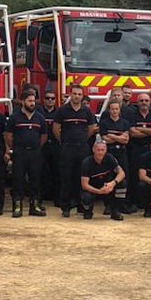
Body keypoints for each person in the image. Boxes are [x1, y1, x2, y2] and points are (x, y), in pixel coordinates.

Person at [54, 85, 98, 217]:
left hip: (82, 148)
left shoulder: (87, 111)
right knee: (66, 177)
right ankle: (65, 207)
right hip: (67, 148)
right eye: (74, 94)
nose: (77, 96)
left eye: (79, 94)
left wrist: (83, 139)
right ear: (70, 95)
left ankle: (81, 205)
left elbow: (91, 128)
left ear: (82, 96)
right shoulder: (62, 110)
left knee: (82, 177)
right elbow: (56, 129)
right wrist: (64, 142)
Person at [4, 91, 48, 217]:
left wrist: (37, 147)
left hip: (35, 152)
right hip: (19, 152)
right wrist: (16, 147)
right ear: (23, 102)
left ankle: (35, 206)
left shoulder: (40, 117)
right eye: (29, 101)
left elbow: (44, 136)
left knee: (35, 179)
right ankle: (17, 207)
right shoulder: (14, 117)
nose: (32, 103)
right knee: (18, 179)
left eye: (33, 101)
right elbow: (8, 135)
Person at [125, 92, 151, 212]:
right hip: (135, 150)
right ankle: (134, 203)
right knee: (134, 177)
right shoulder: (131, 115)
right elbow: (132, 133)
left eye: (146, 101)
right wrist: (150, 130)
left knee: (148, 177)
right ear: (137, 102)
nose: (144, 103)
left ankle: (149, 204)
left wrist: (140, 129)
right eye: (141, 100)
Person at [79, 140, 127, 220]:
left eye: (102, 150)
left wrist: (112, 183)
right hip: (93, 189)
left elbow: (122, 173)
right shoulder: (86, 163)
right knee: (86, 196)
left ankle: (116, 211)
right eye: (98, 150)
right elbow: (84, 185)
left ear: (106, 150)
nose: (100, 153)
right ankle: (88, 211)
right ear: (93, 150)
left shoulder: (110, 158)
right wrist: (99, 191)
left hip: (108, 187)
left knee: (123, 183)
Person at [97, 99, 132, 207]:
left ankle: (122, 204)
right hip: (109, 153)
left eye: (116, 109)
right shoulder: (104, 123)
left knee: (124, 177)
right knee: (109, 177)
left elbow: (126, 140)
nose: (114, 111)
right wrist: (118, 137)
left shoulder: (125, 123)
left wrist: (112, 136)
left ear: (119, 110)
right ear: (109, 110)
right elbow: (104, 139)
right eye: (112, 109)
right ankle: (108, 205)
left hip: (121, 152)